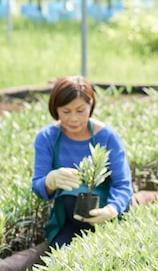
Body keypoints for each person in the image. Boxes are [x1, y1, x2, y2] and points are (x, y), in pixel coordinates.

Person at [32, 76, 132, 248]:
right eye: (65, 111)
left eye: (80, 110)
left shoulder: (107, 136)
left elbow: (122, 184)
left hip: (104, 215)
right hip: (68, 219)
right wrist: (50, 180)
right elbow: (38, 185)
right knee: (59, 251)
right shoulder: (47, 137)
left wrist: (112, 209)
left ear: (91, 105)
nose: (74, 119)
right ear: (55, 109)